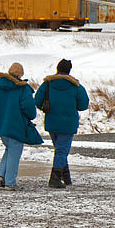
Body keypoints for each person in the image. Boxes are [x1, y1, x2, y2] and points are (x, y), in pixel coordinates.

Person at [0, 62, 42, 190]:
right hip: (16, 125)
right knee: (15, 151)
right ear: (20, 74)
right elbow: (29, 109)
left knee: (9, 149)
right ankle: (10, 182)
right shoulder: (22, 89)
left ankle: (1, 176)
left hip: (0, 125)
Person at [35, 58, 89, 189]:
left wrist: (46, 107)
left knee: (60, 150)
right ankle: (55, 178)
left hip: (51, 122)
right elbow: (83, 105)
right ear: (69, 70)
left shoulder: (47, 84)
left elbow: (37, 100)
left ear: (57, 69)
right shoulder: (76, 86)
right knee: (61, 151)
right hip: (68, 123)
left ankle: (66, 177)